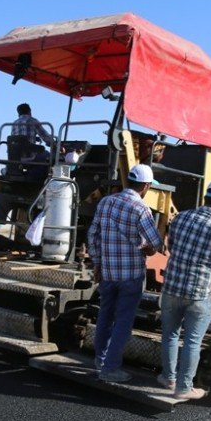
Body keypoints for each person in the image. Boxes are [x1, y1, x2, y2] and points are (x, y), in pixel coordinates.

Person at [158, 179, 211, 400]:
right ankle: (183, 388)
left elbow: (171, 247)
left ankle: (168, 378)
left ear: (206, 198)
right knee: (192, 341)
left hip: (171, 287)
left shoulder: (181, 218)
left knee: (170, 335)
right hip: (198, 292)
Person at [87, 164, 166, 383]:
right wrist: (147, 247)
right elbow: (156, 242)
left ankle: (100, 360)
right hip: (130, 275)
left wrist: (97, 263)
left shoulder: (105, 202)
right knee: (123, 320)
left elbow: (92, 234)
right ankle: (111, 369)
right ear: (146, 186)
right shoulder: (141, 209)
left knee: (104, 316)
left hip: (108, 272)